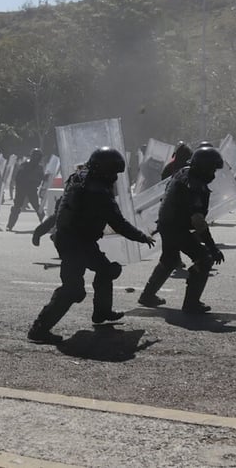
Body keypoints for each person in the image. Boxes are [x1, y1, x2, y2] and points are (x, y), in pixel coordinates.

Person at [27, 147, 156, 344]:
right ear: (102, 170)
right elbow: (118, 223)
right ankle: (39, 329)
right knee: (73, 289)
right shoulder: (98, 192)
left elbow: (62, 208)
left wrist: (42, 228)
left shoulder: (77, 179)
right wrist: (142, 237)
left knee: (107, 270)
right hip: (75, 243)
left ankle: (102, 312)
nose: (114, 178)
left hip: (75, 239)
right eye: (112, 173)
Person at [137, 146, 225, 313]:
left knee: (169, 260)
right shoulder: (195, 185)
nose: (213, 173)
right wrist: (212, 248)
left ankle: (147, 295)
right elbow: (198, 221)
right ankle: (191, 303)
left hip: (166, 224)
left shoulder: (182, 173)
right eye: (212, 168)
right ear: (203, 168)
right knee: (204, 259)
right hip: (177, 228)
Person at [7, 148, 46, 231]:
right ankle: (10, 225)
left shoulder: (39, 167)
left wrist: (45, 178)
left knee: (37, 207)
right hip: (23, 188)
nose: (36, 158)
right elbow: (18, 177)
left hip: (31, 189)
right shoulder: (25, 165)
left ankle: (46, 223)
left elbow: (41, 177)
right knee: (17, 207)